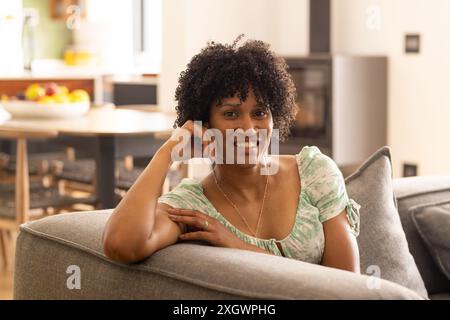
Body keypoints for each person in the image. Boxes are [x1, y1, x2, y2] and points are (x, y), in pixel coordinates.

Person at [102, 36, 361, 273]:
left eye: (260, 113)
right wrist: (166, 153)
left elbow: (348, 284)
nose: (249, 129)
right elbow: (121, 245)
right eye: (231, 114)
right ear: (205, 123)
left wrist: (238, 245)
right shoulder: (194, 206)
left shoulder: (314, 173)